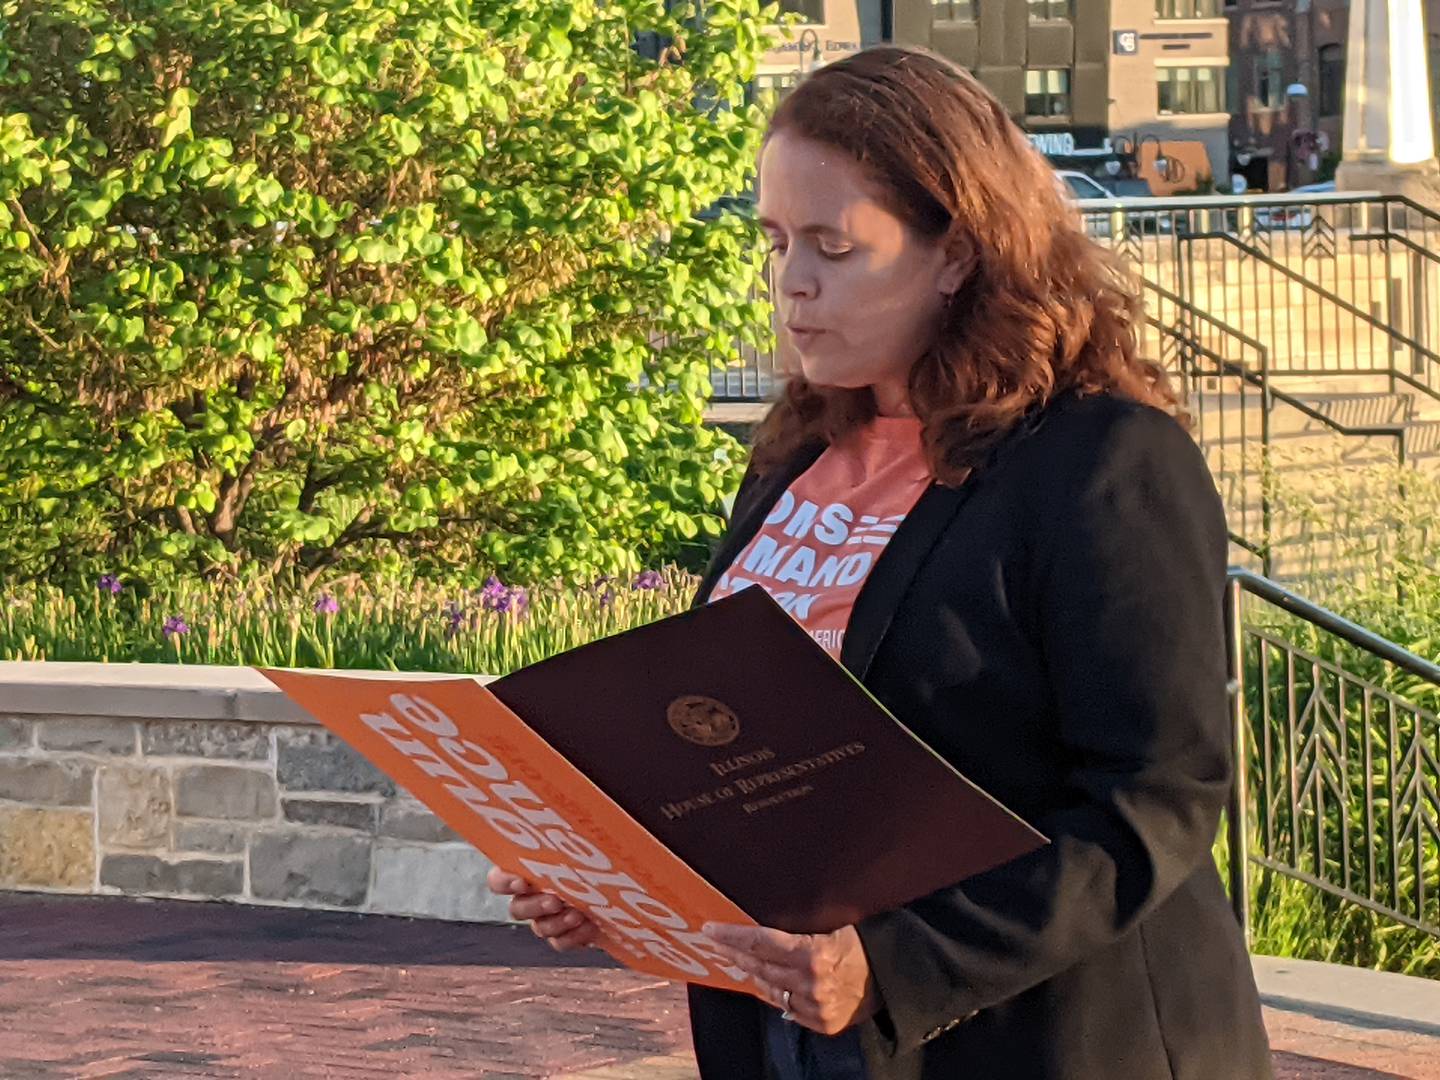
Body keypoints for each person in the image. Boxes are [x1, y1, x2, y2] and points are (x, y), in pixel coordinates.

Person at [490, 44, 1273, 1080]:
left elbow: (1159, 796)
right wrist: (617, 877)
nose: (790, 285)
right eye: (775, 242)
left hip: (1042, 1038)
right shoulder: (799, 446)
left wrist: (896, 966)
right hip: (785, 1029)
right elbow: (741, 752)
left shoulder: (1105, 461)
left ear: (956, 252)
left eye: (832, 246)